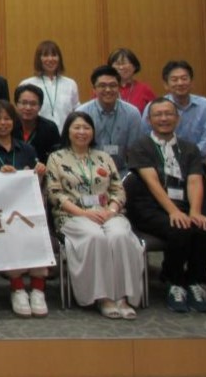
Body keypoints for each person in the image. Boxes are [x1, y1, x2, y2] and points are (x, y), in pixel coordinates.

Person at [46, 112, 143, 320]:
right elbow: (55, 194)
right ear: (68, 131)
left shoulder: (104, 157)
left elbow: (118, 189)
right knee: (95, 237)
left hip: (108, 213)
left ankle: (122, 297)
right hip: (72, 216)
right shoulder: (56, 158)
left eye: (86, 128)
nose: (82, 132)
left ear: (93, 132)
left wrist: (112, 211)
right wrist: (84, 213)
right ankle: (103, 297)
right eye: (77, 128)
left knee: (119, 235)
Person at [126, 98, 206, 313]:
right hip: (150, 207)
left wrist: (195, 212)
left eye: (168, 114)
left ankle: (192, 280)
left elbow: (195, 180)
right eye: (158, 115)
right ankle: (173, 280)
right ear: (149, 120)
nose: (164, 118)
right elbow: (152, 183)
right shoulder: (141, 146)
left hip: (185, 205)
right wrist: (173, 211)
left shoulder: (189, 148)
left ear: (177, 118)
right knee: (179, 230)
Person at [0, 100, 48, 317]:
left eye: (7, 118)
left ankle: (38, 289)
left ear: (14, 121)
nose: (3, 123)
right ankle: (17, 288)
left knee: (37, 230)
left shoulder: (27, 149)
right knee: (11, 231)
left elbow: (36, 185)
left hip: (25, 209)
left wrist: (39, 174)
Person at [143, 60, 206, 164]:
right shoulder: (154, 107)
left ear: (191, 82)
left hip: (195, 163)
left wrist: (187, 162)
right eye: (174, 79)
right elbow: (146, 139)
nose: (180, 83)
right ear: (166, 84)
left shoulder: (205, 106)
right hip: (161, 164)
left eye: (184, 78)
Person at [77, 65, 142, 176]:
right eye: (102, 86)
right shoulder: (82, 113)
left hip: (121, 172)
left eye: (112, 85)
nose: (108, 90)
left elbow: (135, 152)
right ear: (94, 89)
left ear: (119, 87)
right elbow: (77, 150)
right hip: (89, 173)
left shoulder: (132, 113)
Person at [19, 40, 79, 132]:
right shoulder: (27, 84)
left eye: (54, 55)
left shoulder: (70, 84)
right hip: (38, 135)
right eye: (45, 55)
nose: (50, 59)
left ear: (59, 58)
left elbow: (76, 111)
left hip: (65, 135)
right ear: (39, 59)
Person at [11, 84, 61, 165]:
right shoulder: (7, 126)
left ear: (40, 106)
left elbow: (57, 157)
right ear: (16, 104)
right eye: (24, 103)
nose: (28, 108)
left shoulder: (50, 128)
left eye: (33, 104)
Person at [107, 48, 155, 114]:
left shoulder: (144, 89)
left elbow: (155, 111)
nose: (121, 67)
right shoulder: (104, 89)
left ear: (134, 66)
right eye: (117, 64)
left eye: (124, 63)